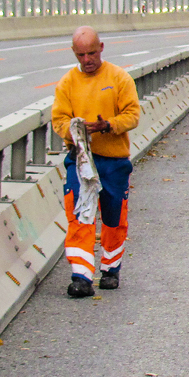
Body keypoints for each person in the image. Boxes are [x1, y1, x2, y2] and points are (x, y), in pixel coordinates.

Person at [52, 26, 140, 298]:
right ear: (73, 53)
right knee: (80, 216)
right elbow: (59, 120)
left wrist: (108, 125)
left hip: (113, 161)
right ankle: (81, 276)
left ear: (101, 48)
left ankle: (110, 270)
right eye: (81, 55)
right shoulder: (67, 83)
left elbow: (132, 115)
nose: (87, 59)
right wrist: (74, 131)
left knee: (114, 217)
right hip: (80, 161)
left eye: (91, 53)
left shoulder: (119, 78)